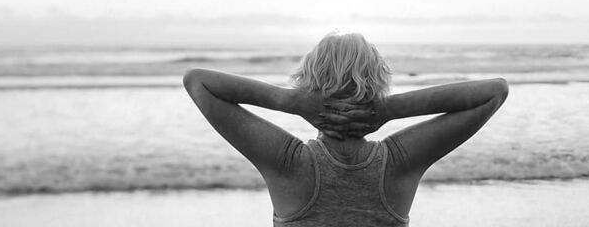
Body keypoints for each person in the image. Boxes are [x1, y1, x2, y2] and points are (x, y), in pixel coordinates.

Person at [183, 32, 509, 226]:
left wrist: (291, 102)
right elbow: (494, 91)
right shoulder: (399, 161)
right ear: (378, 82)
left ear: (308, 83)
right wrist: (390, 109)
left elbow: (198, 81)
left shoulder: (289, 161)